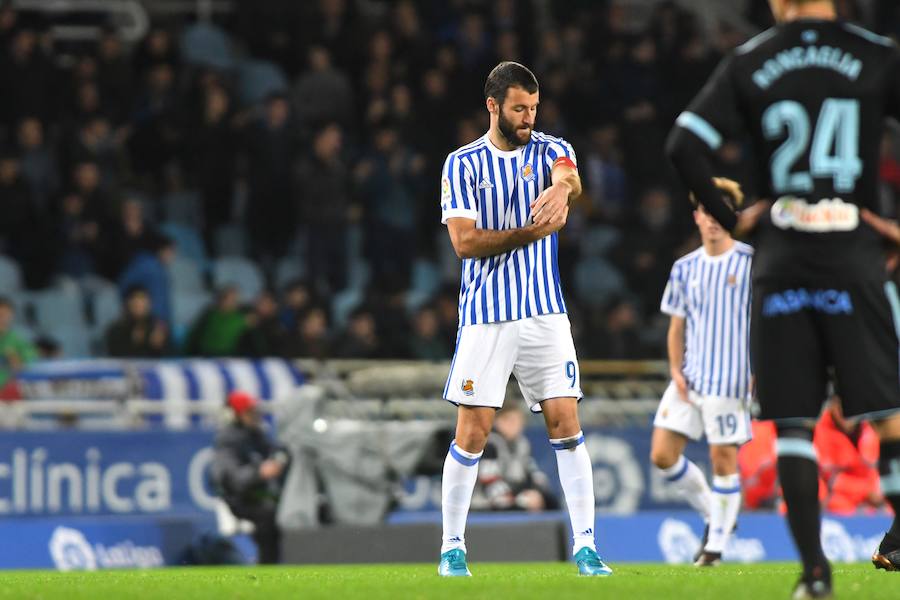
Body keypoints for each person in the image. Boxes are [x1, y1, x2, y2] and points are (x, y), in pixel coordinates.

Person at [665, 1, 900, 595]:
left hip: (783, 261)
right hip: (852, 252)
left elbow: (683, 147)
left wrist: (731, 218)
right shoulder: (876, 55)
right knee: (891, 419)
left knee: (793, 425)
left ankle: (814, 575)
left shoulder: (753, 59)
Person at [437, 61, 611, 577]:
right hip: (486, 316)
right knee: (473, 432)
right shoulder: (462, 164)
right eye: (519, 109)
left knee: (566, 423)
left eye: (534, 108)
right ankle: (452, 547)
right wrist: (527, 232)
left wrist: (564, 189)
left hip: (544, 314)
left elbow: (569, 175)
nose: (528, 117)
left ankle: (585, 547)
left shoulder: (552, 147)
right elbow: (465, 242)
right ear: (493, 106)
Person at [650, 177, 753, 567]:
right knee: (662, 454)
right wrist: (676, 368)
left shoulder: (749, 262)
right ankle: (715, 514)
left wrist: (759, 367)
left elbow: (764, 321)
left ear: (733, 217)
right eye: (705, 212)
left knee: (723, 461)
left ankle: (716, 547)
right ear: (696, 216)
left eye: (719, 213)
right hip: (690, 378)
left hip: (731, 380)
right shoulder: (684, 267)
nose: (711, 220)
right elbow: (677, 326)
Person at [211, 390, 288, 564]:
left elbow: (276, 450)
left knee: (278, 509)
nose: (255, 416)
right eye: (249, 412)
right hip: (239, 498)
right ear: (236, 415)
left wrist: (280, 458)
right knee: (268, 516)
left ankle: (272, 566)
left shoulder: (257, 435)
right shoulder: (227, 440)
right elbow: (231, 478)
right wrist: (259, 473)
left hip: (259, 494)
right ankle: (266, 567)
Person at [474, 404, 559, 512]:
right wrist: (520, 500)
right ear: (497, 422)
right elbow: (490, 484)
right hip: (485, 503)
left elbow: (535, 475)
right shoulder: (489, 444)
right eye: (510, 421)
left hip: (515, 493)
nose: (515, 425)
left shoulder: (522, 443)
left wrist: (536, 493)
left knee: (551, 502)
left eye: (518, 421)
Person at [105, 285, 170, 357]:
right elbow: (113, 359)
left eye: (142, 298)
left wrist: (158, 347)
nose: (139, 303)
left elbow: (173, 359)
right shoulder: (116, 330)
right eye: (134, 299)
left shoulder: (159, 328)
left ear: (150, 303)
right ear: (127, 303)